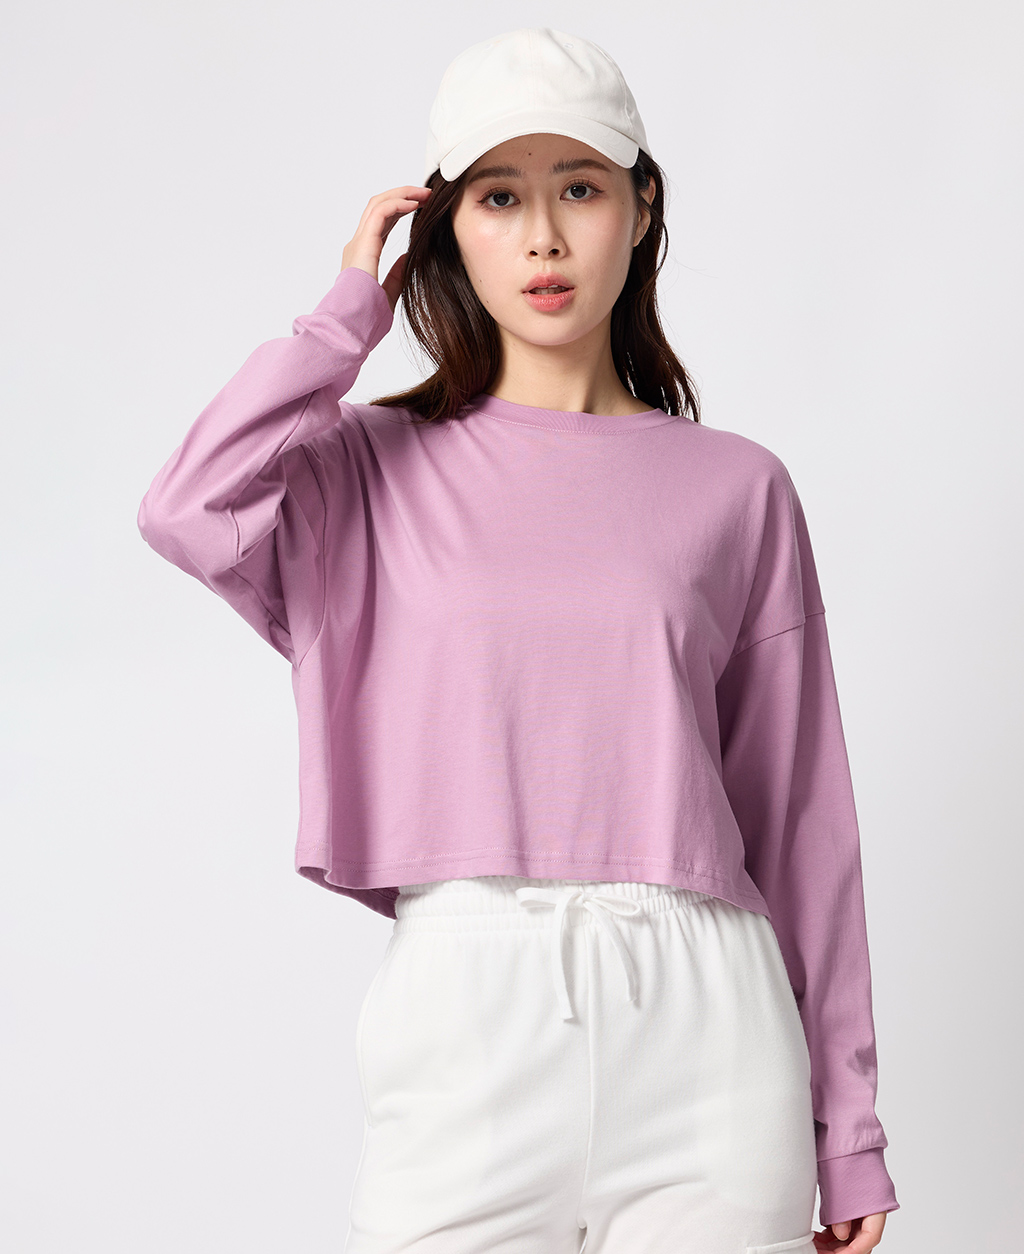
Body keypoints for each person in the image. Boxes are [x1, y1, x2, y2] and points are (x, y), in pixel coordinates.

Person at [137, 26, 900, 1254]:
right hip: (467, 1014)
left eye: (579, 189)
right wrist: (344, 317)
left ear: (639, 212)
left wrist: (846, 1128)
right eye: (498, 197)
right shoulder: (361, 471)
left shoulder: (738, 487)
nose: (543, 236)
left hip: (710, 1024)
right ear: (448, 231)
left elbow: (800, 814)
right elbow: (188, 508)